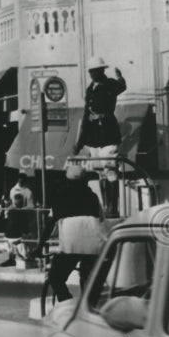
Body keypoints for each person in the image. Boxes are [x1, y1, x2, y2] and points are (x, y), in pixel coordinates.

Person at [33, 160, 106, 303]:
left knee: (55, 278)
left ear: (67, 180)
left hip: (71, 245)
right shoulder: (93, 197)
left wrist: (40, 246)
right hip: (94, 245)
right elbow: (101, 220)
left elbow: (50, 224)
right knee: (89, 280)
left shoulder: (60, 196)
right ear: (85, 180)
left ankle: (66, 304)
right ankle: (88, 307)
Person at [73, 56, 127, 217]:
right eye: (90, 71)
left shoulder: (109, 84)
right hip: (94, 137)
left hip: (108, 134)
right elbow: (86, 116)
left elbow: (121, 86)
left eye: (94, 71)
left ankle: (113, 209)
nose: (91, 74)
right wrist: (80, 143)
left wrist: (120, 77)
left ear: (101, 71)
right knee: (100, 172)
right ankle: (105, 207)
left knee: (110, 170)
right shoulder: (90, 89)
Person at [1, 193, 34, 266]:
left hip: (8, 236)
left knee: (13, 242)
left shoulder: (10, 211)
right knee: (28, 238)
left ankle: (12, 258)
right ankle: (27, 257)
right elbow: (24, 227)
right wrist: (27, 233)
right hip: (16, 236)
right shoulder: (22, 213)